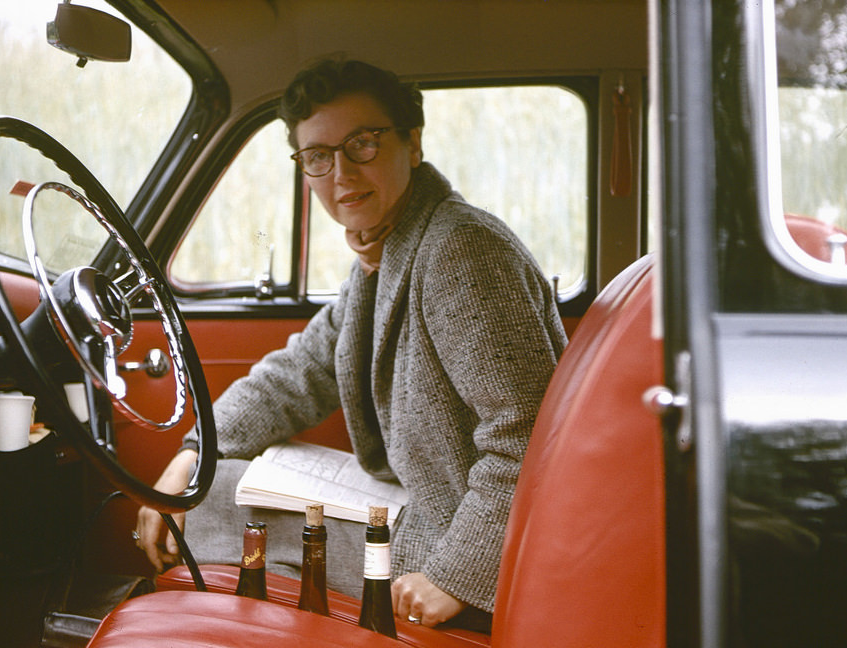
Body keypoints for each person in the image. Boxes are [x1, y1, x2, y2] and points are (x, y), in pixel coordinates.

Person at [136, 58, 568, 632]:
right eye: (318, 156)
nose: (340, 173)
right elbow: (301, 372)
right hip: (423, 508)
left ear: (412, 144)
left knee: (208, 507)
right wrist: (195, 452)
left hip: (454, 539)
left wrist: (454, 576)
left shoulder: (459, 250)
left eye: (362, 143)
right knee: (203, 487)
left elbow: (529, 436)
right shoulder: (385, 248)